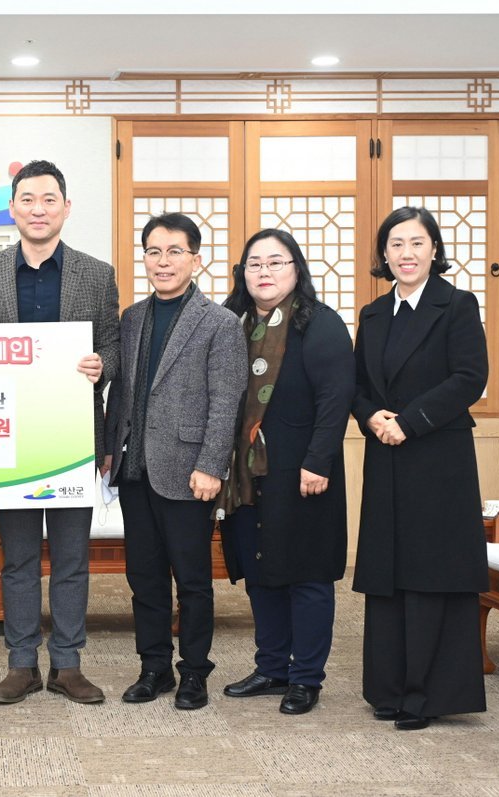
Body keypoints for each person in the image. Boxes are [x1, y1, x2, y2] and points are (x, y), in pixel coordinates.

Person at [0, 160, 120, 705]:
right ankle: (22, 664)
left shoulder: (96, 274)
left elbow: (113, 344)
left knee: (73, 560)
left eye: (49, 199)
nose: (38, 209)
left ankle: (68, 665)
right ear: (11, 209)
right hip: (8, 439)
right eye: (27, 199)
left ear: (66, 208)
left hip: (75, 436)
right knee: (19, 559)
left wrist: (103, 364)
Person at [102, 213, 246, 710]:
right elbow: (122, 391)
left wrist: (212, 465)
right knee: (144, 577)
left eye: (174, 252)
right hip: (134, 468)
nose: (163, 262)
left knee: (192, 580)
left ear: (195, 259)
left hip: (188, 470)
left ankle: (195, 673)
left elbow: (226, 401)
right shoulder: (133, 317)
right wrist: (109, 447)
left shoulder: (220, 323)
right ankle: (154, 668)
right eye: (153, 252)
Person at [352, 206, 489, 730]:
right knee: (389, 572)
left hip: (437, 458)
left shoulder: (456, 304)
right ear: (384, 255)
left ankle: (425, 695)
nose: (406, 253)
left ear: (434, 250)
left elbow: (469, 377)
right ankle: (388, 688)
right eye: (396, 244)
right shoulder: (372, 314)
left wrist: (409, 422)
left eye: (416, 243)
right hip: (385, 454)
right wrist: (370, 416)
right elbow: (357, 385)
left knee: (432, 572)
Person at [217, 229, 354, 716]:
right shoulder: (231, 322)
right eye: (254, 264)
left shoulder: (319, 323)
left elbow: (336, 398)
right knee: (261, 571)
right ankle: (272, 666)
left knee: (306, 573)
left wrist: (317, 461)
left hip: (302, 470)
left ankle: (306, 677)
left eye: (276, 262)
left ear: (296, 269)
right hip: (246, 473)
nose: (265, 272)